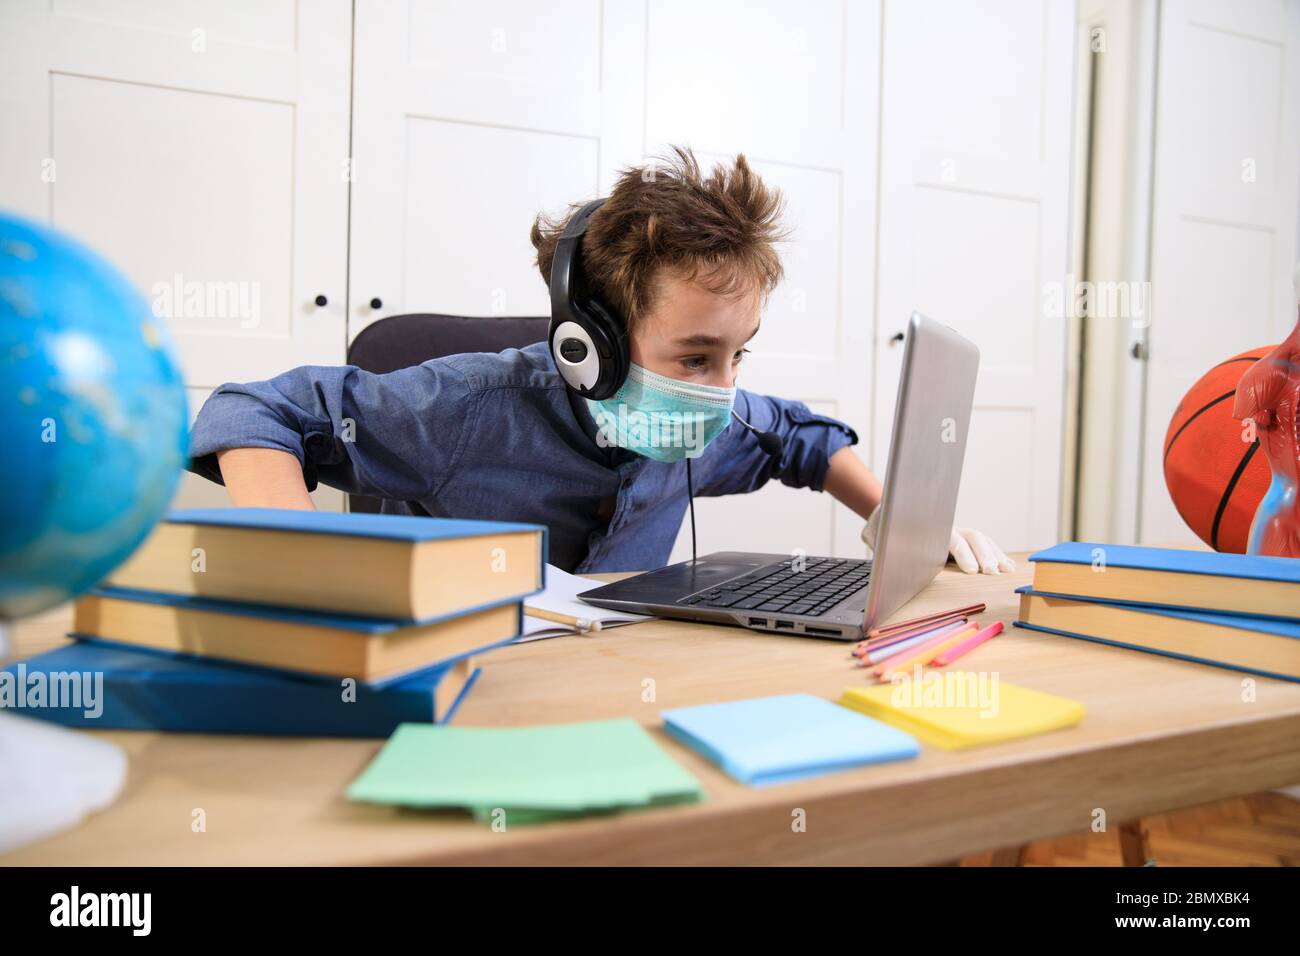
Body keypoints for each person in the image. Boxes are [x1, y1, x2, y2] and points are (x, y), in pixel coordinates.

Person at [188, 147, 1012, 576]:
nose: (722, 390)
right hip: (464, 694)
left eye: (736, 356)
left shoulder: (705, 423)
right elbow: (260, 407)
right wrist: (291, 547)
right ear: (594, 346)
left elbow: (800, 437)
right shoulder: (468, 407)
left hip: (613, 685)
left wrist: (897, 523)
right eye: (695, 357)